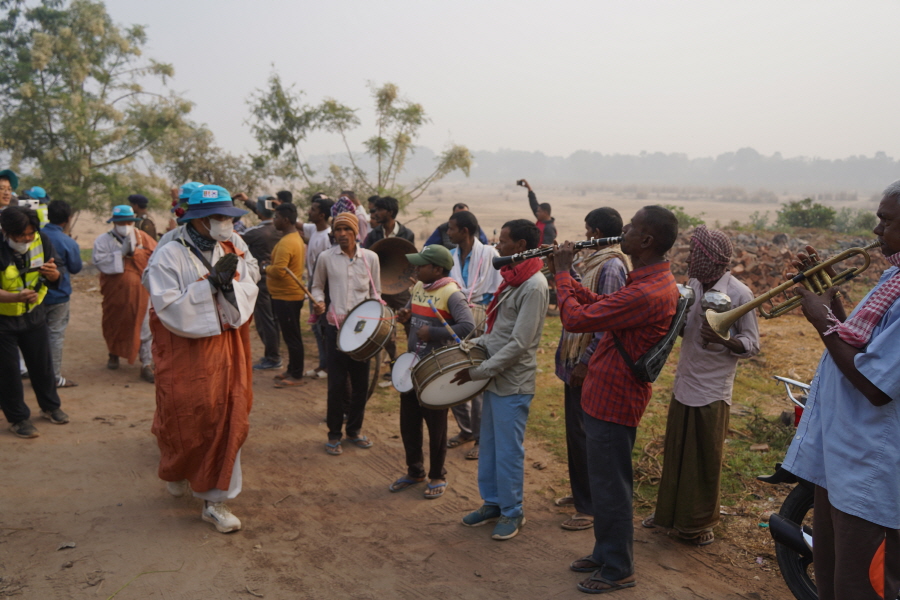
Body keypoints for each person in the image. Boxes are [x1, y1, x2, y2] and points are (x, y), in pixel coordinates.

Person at [549, 205, 679, 594]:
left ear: (646, 240)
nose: (623, 229)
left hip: (615, 398)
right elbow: (597, 307)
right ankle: (606, 552)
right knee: (604, 481)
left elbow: (574, 319)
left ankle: (619, 567)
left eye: (632, 226)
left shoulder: (647, 290)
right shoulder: (645, 281)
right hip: (606, 394)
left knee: (611, 487)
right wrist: (571, 277)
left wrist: (559, 273)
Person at [781, 181, 900, 600]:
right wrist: (833, 310)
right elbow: (868, 348)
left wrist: (823, 322)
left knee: (858, 587)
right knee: (830, 581)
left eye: (885, 221)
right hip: (844, 456)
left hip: (871, 469)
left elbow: (875, 385)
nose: (876, 231)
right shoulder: (893, 278)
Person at [143, 184, 260, 534]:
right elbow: (166, 305)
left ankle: (215, 501)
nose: (228, 223)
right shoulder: (169, 252)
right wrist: (208, 285)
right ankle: (179, 467)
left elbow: (251, 277)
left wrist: (232, 284)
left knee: (228, 414)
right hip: (186, 350)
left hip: (229, 344)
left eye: (229, 217)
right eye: (220, 218)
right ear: (199, 219)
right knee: (185, 415)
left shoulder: (234, 244)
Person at [643, 226, 759, 546]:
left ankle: (699, 522)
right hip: (685, 381)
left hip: (712, 390)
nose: (690, 257)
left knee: (705, 459)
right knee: (677, 454)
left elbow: (752, 344)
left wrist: (727, 340)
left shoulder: (739, 294)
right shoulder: (693, 285)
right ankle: (668, 514)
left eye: (695, 253)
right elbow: (687, 331)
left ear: (710, 257)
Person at [452, 219, 548, 541]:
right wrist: (475, 344)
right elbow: (498, 331)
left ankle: (513, 511)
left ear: (521, 246)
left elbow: (520, 343)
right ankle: (493, 503)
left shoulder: (534, 285)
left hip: (512, 382)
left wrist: (481, 370)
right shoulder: (513, 279)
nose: (498, 245)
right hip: (495, 379)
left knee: (508, 450)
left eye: (504, 240)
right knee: (491, 446)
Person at [553, 208, 628, 531]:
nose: (584, 238)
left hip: (590, 365)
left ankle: (589, 507)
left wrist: (586, 362)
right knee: (575, 433)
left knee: (586, 436)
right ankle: (581, 492)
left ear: (596, 233)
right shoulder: (596, 263)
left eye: (587, 231)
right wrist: (563, 269)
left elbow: (607, 322)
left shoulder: (611, 266)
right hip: (578, 362)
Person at [390, 245, 474, 498]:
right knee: (409, 422)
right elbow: (411, 311)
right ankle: (415, 471)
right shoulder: (419, 288)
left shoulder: (452, 293)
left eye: (422, 265)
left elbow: (468, 325)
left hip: (436, 370)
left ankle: (437, 475)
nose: (416, 268)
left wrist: (435, 332)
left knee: (436, 426)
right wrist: (405, 315)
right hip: (412, 367)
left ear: (437, 269)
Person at [311, 211, 380, 456]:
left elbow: (375, 295)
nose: (341, 234)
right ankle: (333, 434)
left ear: (356, 232)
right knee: (337, 384)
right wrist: (319, 302)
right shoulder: (326, 258)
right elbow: (317, 286)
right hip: (335, 329)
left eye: (346, 230)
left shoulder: (370, 258)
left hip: (362, 332)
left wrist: (376, 326)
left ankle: (354, 430)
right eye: (337, 230)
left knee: (361, 385)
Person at [0, 206, 68, 438]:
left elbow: (58, 268)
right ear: (6, 231)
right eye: (21, 235)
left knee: (42, 366)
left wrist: (54, 274)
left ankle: (50, 407)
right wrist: (12, 297)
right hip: (3, 321)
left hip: (34, 314)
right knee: (8, 373)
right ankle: (18, 419)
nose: (27, 239)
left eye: (31, 233)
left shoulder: (42, 239)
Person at [445, 210, 501, 460]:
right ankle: (466, 430)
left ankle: (481, 437)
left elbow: (500, 291)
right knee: (454, 376)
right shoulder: (450, 257)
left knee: (478, 380)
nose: (448, 233)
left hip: (484, 323)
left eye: (451, 228)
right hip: (456, 324)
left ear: (464, 232)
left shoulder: (490, 254)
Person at [92, 205, 157, 383]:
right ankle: (113, 353)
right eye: (121, 222)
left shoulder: (142, 237)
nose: (125, 225)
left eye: (128, 222)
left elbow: (156, 257)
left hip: (142, 293)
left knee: (145, 327)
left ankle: (146, 364)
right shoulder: (103, 240)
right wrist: (119, 255)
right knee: (114, 323)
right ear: (114, 223)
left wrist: (136, 254)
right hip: (116, 294)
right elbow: (99, 261)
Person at [41, 200, 83, 388]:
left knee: (34, 335)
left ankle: (34, 372)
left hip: (35, 294)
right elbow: (75, 268)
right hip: (59, 294)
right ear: (68, 219)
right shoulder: (67, 242)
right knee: (55, 335)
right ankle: (54, 377)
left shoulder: (35, 236)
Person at [266, 203, 307, 388]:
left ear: (286, 220)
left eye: (276, 218)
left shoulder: (288, 241)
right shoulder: (292, 238)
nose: (274, 221)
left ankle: (297, 374)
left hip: (287, 296)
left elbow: (280, 271)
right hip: (286, 295)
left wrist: (265, 268)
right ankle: (291, 369)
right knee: (290, 335)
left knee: (292, 337)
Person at [242, 196, 283, 371]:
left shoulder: (253, 233)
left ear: (258, 212)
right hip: (277, 279)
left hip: (262, 281)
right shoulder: (281, 229)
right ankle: (274, 354)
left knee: (264, 320)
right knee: (275, 319)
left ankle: (272, 357)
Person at [300, 195, 333, 379]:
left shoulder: (327, 237)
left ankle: (328, 366)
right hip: (314, 284)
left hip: (323, 286)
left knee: (324, 327)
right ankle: (322, 364)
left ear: (321, 214)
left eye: (312, 209)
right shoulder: (314, 231)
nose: (309, 212)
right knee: (317, 328)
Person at [425, 202, 490, 250]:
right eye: (458, 215)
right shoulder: (443, 229)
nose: (448, 232)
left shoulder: (476, 228)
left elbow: (485, 244)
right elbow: (428, 248)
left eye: (465, 215)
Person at [518, 178, 556, 245]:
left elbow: (546, 247)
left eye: (539, 211)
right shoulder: (541, 220)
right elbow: (533, 203)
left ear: (545, 213)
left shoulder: (549, 228)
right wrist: (529, 189)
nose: (536, 213)